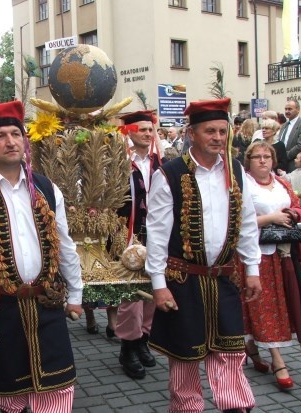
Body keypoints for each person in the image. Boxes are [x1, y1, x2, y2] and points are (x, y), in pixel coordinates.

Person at [0, 100, 83, 413]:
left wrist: (76, 294)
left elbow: (65, 245)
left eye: (16, 134)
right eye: (0, 136)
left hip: (46, 305)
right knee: (10, 399)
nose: (10, 141)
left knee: (58, 390)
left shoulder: (47, 188)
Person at [145, 98, 262, 412]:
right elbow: (157, 235)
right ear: (192, 133)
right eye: (210, 131)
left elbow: (247, 222)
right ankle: (186, 408)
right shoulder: (169, 174)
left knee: (230, 351)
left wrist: (253, 269)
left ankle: (236, 406)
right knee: (184, 355)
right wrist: (158, 285)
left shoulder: (236, 170)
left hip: (223, 278)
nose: (218, 137)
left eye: (223, 131)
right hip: (183, 280)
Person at [241, 141, 301, 390]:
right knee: (262, 305)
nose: (263, 161)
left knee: (276, 305)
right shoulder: (243, 184)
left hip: (282, 254)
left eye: (267, 156)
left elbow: (297, 207)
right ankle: (278, 361)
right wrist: (271, 218)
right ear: (248, 161)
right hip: (253, 254)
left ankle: (251, 346)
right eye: (257, 157)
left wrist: (292, 214)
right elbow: (236, 219)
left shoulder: (282, 182)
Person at [113, 110, 164, 379]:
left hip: (156, 234)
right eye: (142, 129)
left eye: (150, 129)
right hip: (129, 234)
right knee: (132, 293)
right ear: (129, 131)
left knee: (153, 288)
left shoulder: (160, 161)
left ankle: (144, 339)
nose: (147, 133)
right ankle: (128, 346)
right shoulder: (119, 161)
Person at [280, 99, 301, 172]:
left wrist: (284, 156)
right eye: (286, 109)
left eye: (290, 109)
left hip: (293, 165)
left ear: (298, 110)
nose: (287, 111)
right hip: (281, 165)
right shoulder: (284, 125)